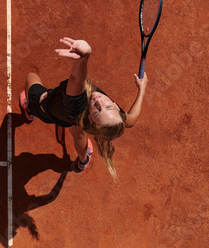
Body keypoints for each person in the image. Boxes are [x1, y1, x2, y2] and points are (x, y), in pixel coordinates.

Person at [19, 37, 148, 180]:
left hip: (46, 109)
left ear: (91, 119)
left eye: (98, 111)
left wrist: (84, 57)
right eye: (108, 106)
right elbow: (131, 120)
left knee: (31, 77)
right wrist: (142, 88)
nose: (99, 101)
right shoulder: (111, 120)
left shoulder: (76, 107)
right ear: (117, 107)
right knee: (79, 133)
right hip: (73, 120)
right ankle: (83, 160)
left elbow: (76, 80)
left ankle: (30, 110)